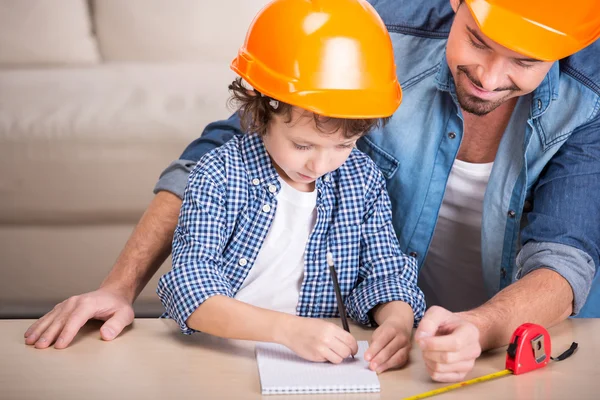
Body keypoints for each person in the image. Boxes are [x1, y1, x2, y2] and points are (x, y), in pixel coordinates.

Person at [25, 0, 600, 383]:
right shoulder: (370, 33)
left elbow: (561, 254)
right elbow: (195, 259)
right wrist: (120, 285)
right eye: (478, 41)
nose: (492, 76)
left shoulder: (356, 178)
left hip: (467, 349)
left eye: (524, 61)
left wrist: (411, 317)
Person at [156, 0, 426, 369]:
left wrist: (397, 321)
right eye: (302, 145)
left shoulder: (362, 180)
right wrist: (288, 330)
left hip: (318, 367)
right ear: (260, 109)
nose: (320, 164)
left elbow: (386, 273)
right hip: (218, 357)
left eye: (343, 146)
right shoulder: (218, 175)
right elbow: (189, 285)